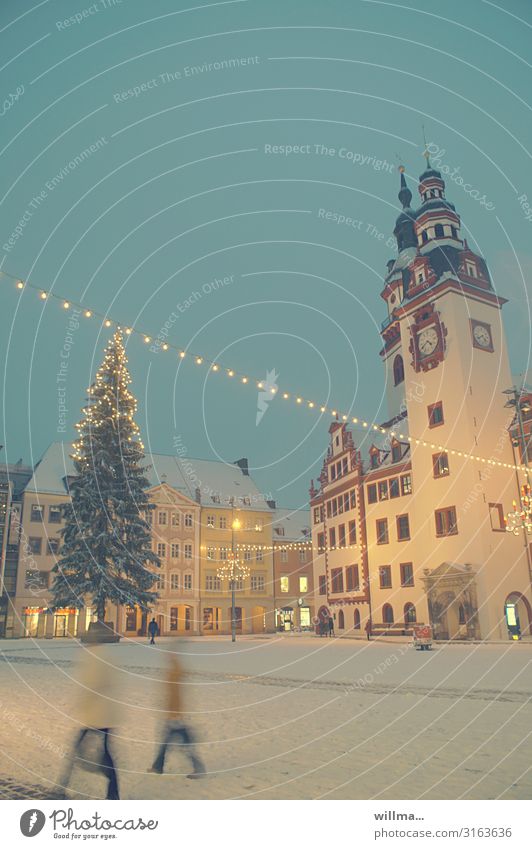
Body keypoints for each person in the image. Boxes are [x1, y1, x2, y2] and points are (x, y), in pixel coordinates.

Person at [58, 645, 120, 800]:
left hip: (96, 717)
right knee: (104, 754)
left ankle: (62, 787)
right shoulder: (104, 658)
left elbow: (92, 689)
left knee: (78, 751)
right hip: (102, 716)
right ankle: (113, 794)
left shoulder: (96, 660)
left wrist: (82, 705)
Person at [149, 649, 205, 778]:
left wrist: (172, 713)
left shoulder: (175, 672)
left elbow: (174, 696)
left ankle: (199, 768)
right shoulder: (174, 671)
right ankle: (157, 767)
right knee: (166, 742)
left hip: (175, 716)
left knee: (184, 744)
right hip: (173, 714)